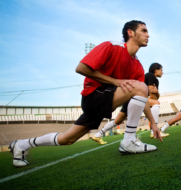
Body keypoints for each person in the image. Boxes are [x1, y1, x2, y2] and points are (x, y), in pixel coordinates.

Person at [9, 20, 163, 167]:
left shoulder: (137, 65)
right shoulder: (111, 46)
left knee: (67, 139)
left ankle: (21, 144)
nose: (147, 35)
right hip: (93, 96)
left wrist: (154, 125)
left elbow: (141, 95)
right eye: (144, 30)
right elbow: (81, 68)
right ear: (130, 32)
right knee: (140, 86)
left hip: (107, 98)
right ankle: (128, 141)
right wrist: (115, 81)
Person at [92, 63, 169, 144]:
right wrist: (156, 93)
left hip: (130, 98)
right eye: (161, 70)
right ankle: (154, 132)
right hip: (135, 98)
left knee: (117, 121)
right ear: (156, 71)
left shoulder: (151, 78)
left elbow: (155, 97)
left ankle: (98, 134)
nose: (162, 72)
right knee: (156, 103)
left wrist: (157, 92)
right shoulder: (151, 76)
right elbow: (154, 98)